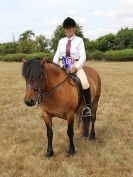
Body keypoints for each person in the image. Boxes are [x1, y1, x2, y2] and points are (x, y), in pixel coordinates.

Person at [53, 17, 91, 120]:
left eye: (70, 28)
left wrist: (76, 67)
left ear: (74, 29)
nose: (68, 30)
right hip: (62, 65)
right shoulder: (61, 41)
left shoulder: (79, 40)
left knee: (84, 82)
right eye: (66, 28)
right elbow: (56, 55)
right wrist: (54, 66)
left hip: (75, 65)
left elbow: (83, 56)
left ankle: (87, 108)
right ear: (64, 30)